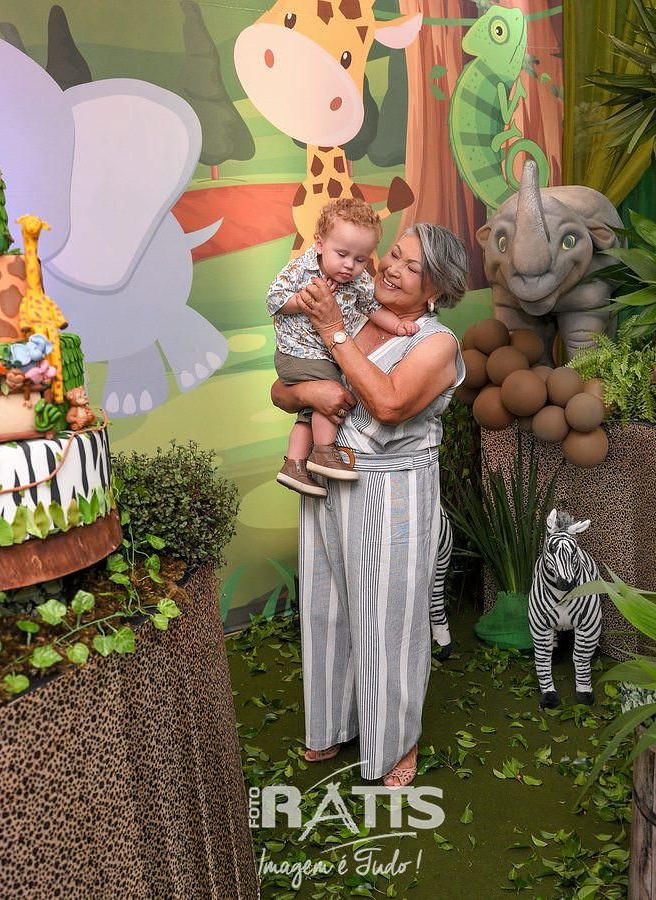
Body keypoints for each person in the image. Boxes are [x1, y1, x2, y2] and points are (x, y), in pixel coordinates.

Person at [270, 223, 468, 788]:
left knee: (390, 618)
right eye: (394, 255)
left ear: (435, 289)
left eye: (410, 266)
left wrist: (333, 330)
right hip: (326, 474)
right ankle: (333, 722)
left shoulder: (436, 343)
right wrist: (308, 391)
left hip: (392, 489)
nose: (392, 269)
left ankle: (396, 741)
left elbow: (388, 404)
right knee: (327, 607)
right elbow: (282, 389)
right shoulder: (356, 312)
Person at [268, 199, 419, 498]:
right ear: (320, 244)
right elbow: (273, 299)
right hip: (298, 353)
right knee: (331, 393)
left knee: (309, 413)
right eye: (342, 254)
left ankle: (294, 465)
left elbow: (373, 308)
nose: (350, 265)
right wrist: (303, 301)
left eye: (361, 259)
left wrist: (398, 326)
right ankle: (324, 452)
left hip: (320, 354)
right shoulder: (301, 270)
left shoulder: (359, 281)